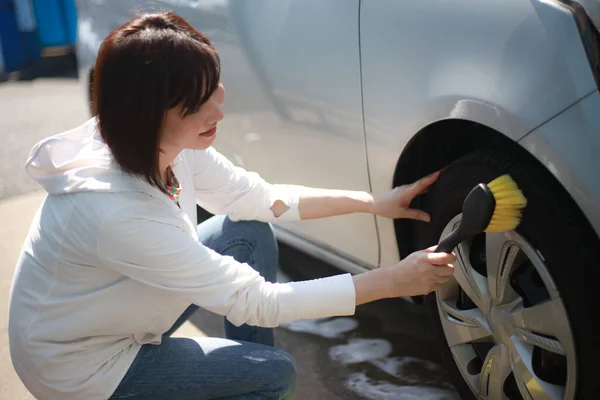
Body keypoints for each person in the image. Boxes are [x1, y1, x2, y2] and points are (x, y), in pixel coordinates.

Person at [7, 11, 456, 400]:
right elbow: (256, 300)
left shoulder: (168, 146)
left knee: (246, 230)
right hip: (83, 362)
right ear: (147, 113)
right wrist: (393, 281)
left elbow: (259, 199)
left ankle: (243, 367)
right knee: (271, 376)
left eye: (214, 90)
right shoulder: (114, 209)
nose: (218, 113)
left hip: (118, 305)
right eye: (197, 105)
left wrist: (375, 203)